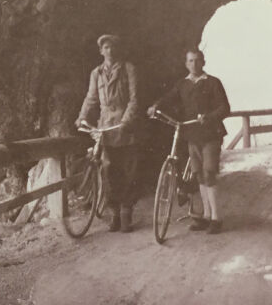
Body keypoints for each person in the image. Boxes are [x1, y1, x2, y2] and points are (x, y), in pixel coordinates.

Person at [147, 48, 230, 234]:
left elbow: (225, 108)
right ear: (186, 64)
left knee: (209, 171)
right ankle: (205, 215)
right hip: (192, 135)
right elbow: (169, 98)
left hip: (210, 134)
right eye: (191, 61)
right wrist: (155, 106)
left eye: (198, 60)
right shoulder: (182, 84)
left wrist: (208, 117)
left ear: (203, 62)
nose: (194, 64)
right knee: (198, 174)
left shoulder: (213, 82)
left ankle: (216, 218)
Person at [75, 34, 139, 233]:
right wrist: (81, 117)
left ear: (117, 49)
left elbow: (134, 99)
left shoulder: (128, 69)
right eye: (106, 48)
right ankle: (115, 213)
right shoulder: (96, 73)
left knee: (128, 170)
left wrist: (127, 119)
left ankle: (127, 212)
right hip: (105, 126)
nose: (109, 51)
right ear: (101, 51)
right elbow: (91, 98)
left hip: (124, 127)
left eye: (112, 47)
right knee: (108, 170)